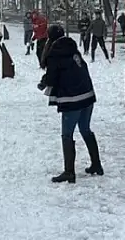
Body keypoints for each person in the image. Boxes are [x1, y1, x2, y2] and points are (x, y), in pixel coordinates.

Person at [39, 24, 101, 183]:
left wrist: (43, 82)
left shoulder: (55, 54)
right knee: (85, 130)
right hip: (87, 96)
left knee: (67, 135)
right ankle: (96, 164)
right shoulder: (73, 50)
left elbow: (52, 77)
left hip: (72, 99)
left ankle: (69, 172)